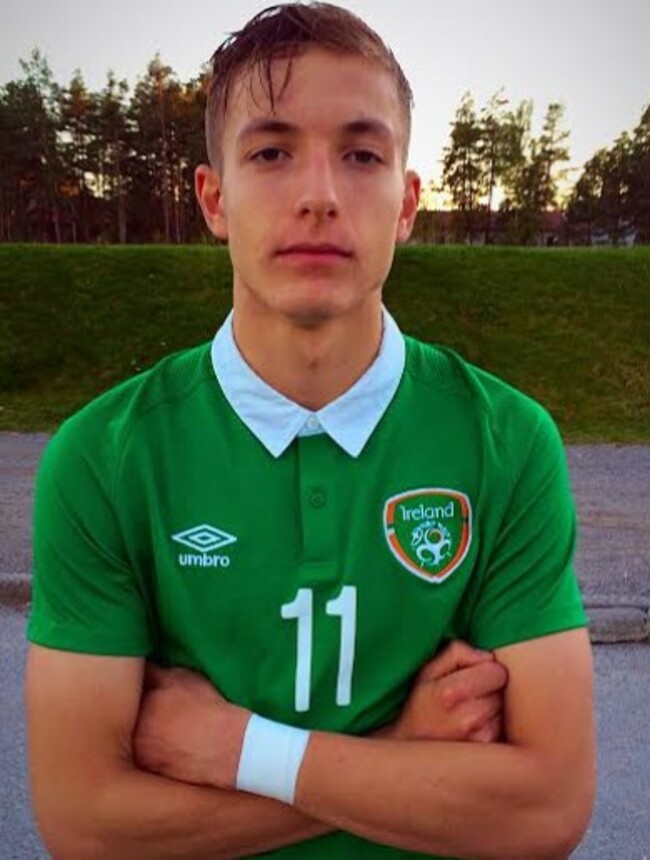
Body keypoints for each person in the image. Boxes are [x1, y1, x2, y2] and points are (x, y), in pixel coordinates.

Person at [25, 3, 595, 858]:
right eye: (271, 152)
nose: (320, 195)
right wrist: (397, 752)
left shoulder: (507, 441)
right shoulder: (103, 458)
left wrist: (241, 751)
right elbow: (86, 826)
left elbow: (546, 811)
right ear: (214, 198)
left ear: (407, 204)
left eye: (362, 155)